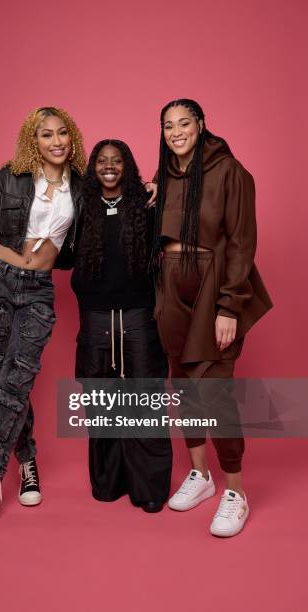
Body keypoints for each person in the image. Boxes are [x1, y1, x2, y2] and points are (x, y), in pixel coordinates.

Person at [0, 107, 86, 529]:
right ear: (35, 140)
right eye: (46, 135)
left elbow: (118, 201)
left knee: (17, 380)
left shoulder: (81, 188)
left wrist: (150, 188)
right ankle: (27, 460)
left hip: (37, 291)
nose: (56, 141)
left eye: (63, 133)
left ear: (72, 138)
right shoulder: (10, 175)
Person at [150, 99, 272, 536]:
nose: (176, 132)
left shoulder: (231, 172)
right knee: (182, 388)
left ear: (201, 124)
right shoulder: (166, 174)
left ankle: (235, 491)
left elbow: (241, 243)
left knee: (216, 394)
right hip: (169, 283)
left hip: (211, 285)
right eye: (168, 126)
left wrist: (229, 307)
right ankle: (201, 476)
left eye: (184, 123)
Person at [71, 140, 172, 513]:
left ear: (127, 167)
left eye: (117, 161)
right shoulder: (80, 207)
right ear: (92, 167)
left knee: (145, 402)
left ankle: (149, 489)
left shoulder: (146, 206)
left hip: (139, 318)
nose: (109, 166)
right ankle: (109, 482)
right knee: (102, 404)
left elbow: (183, 193)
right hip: (96, 320)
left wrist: (159, 184)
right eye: (102, 160)